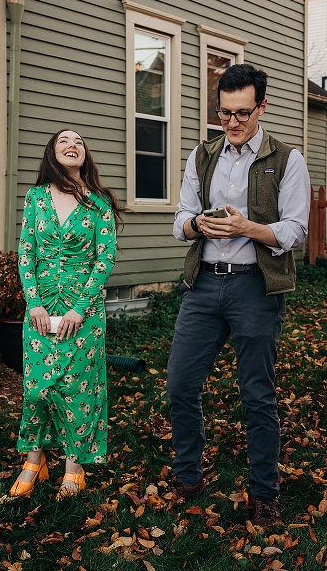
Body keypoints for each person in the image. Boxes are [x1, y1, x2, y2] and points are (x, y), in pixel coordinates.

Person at [168, 64, 310, 527]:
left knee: (257, 395)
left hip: (255, 287)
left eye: (242, 114)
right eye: (224, 113)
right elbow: (180, 220)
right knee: (180, 385)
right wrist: (197, 226)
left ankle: (264, 493)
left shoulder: (287, 159)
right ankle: (188, 477)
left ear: (262, 107)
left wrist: (246, 227)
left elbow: (295, 229)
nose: (231, 123)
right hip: (204, 285)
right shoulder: (202, 156)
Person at [11, 129, 123, 500]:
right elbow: (26, 251)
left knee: (78, 389)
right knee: (38, 389)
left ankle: (74, 469)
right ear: (52, 153)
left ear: (85, 154)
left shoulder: (99, 202)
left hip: (84, 311)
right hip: (40, 308)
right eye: (63, 141)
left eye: (78, 141)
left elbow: (104, 258)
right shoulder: (36, 197)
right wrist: (34, 303)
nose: (72, 145)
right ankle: (34, 461)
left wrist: (80, 307)